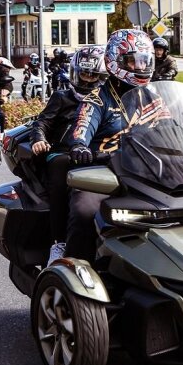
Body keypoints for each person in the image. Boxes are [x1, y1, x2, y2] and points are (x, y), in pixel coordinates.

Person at [63, 29, 154, 262]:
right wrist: (80, 147)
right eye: (134, 60)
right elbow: (81, 128)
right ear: (115, 60)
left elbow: (174, 127)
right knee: (84, 209)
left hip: (145, 170)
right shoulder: (97, 99)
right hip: (104, 171)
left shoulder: (152, 97)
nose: (141, 67)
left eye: (145, 60)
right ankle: (74, 268)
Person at [30, 46, 107, 266]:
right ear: (75, 72)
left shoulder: (108, 101)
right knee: (60, 169)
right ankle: (59, 243)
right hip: (63, 152)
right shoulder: (62, 97)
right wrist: (39, 139)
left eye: (94, 75)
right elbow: (42, 122)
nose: (89, 79)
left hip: (94, 153)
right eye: (85, 73)